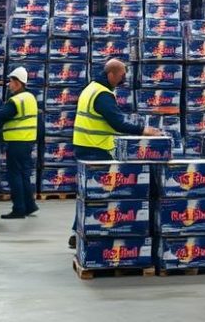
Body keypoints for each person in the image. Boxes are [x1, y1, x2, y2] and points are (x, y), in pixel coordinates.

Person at [69, 58, 162, 247]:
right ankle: (94, 232)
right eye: (120, 76)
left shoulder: (91, 88)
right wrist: (143, 131)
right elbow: (117, 122)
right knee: (102, 195)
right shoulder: (103, 95)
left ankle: (77, 232)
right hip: (96, 148)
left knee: (88, 194)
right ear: (111, 74)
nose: (122, 80)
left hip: (85, 146)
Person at [0, 66, 39, 220]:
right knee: (24, 174)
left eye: (11, 81)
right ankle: (29, 206)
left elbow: (4, 113)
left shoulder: (16, 100)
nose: (9, 85)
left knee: (14, 175)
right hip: (27, 140)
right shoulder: (30, 97)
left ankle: (18, 209)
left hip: (17, 141)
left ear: (18, 83)